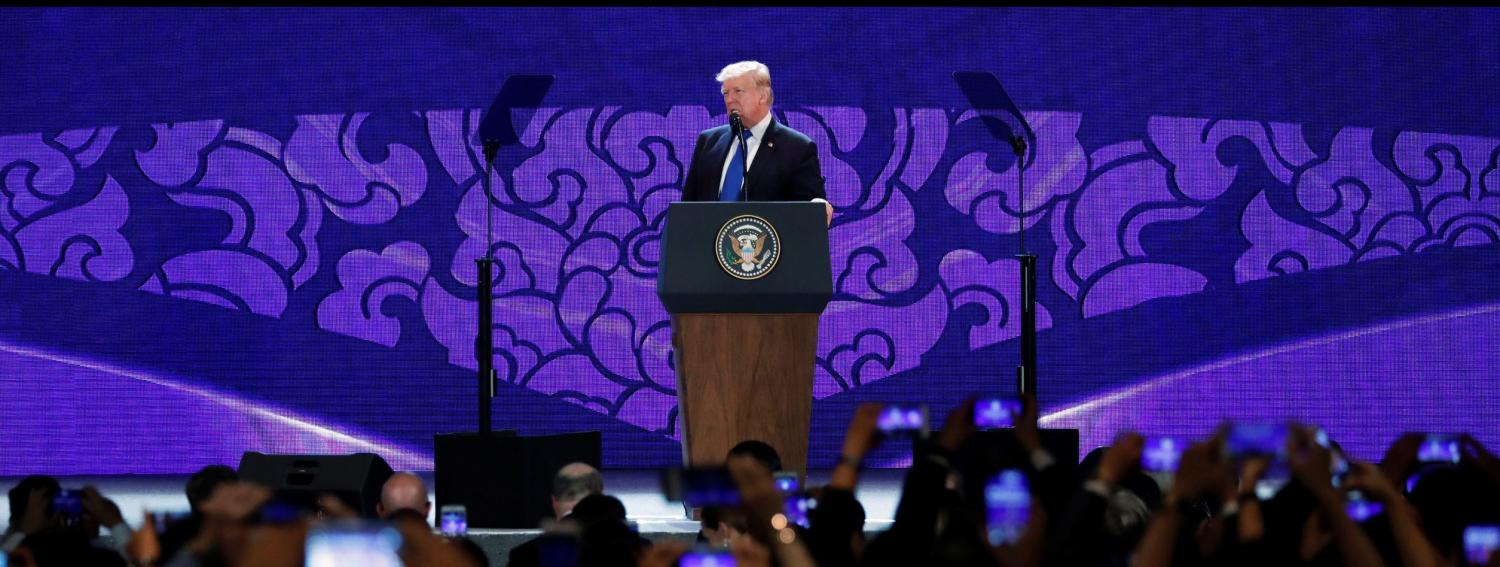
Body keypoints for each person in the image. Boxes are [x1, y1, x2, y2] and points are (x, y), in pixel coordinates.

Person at [681, 61, 833, 226]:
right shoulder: (709, 142)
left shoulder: (797, 148)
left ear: (763, 96)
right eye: (726, 93)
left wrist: (818, 207)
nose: (730, 99)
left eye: (738, 91)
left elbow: (810, 212)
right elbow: (687, 207)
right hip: (706, 247)